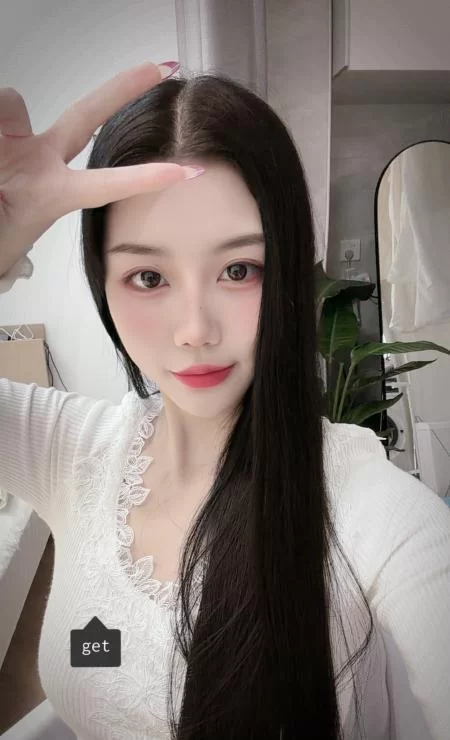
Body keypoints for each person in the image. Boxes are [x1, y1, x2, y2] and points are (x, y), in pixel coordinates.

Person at [0, 61, 449, 740]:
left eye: (239, 270)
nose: (195, 331)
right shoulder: (71, 449)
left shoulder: (366, 507)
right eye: (148, 276)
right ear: (103, 282)